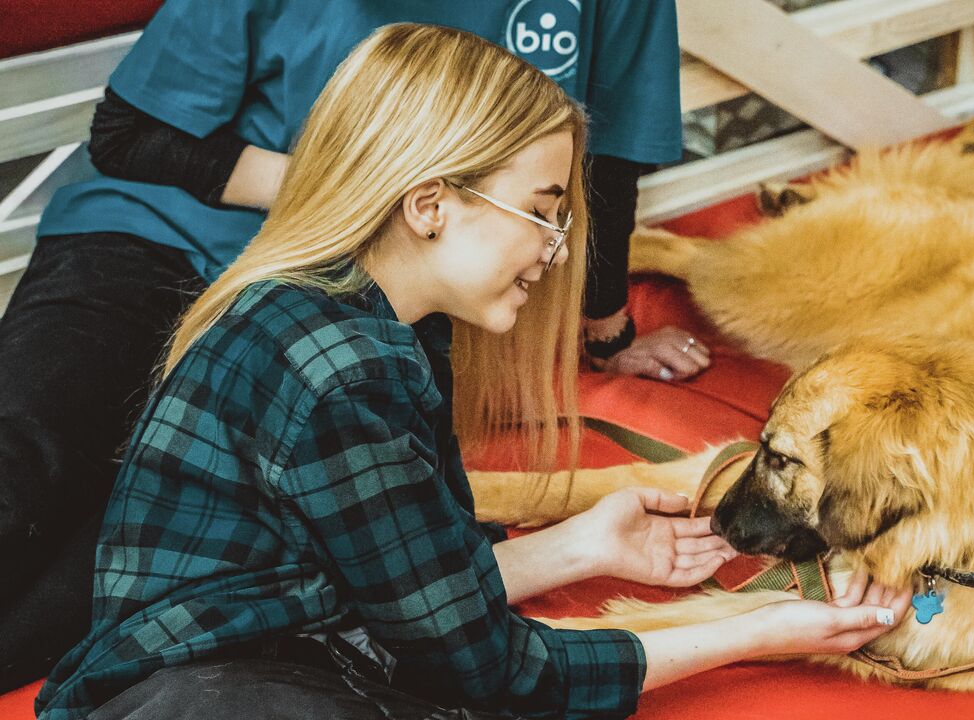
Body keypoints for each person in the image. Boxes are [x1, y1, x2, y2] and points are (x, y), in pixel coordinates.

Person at [33, 25, 911, 720]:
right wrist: (765, 632)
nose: (555, 251)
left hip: (213, 664)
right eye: (541, 213)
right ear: (429, 206)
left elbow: (389, 582)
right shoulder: (349, 375)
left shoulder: (330, 315)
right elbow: (494, 667)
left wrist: (578, 546)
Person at [0, 0, 708, 691]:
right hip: (163, 243)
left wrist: (607, 327)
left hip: (374, 281)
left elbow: (605, 166)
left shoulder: (388, 351)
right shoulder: (363, 339)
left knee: (127, 559)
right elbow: (130, 130)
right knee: (29, 458)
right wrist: (358, 191)